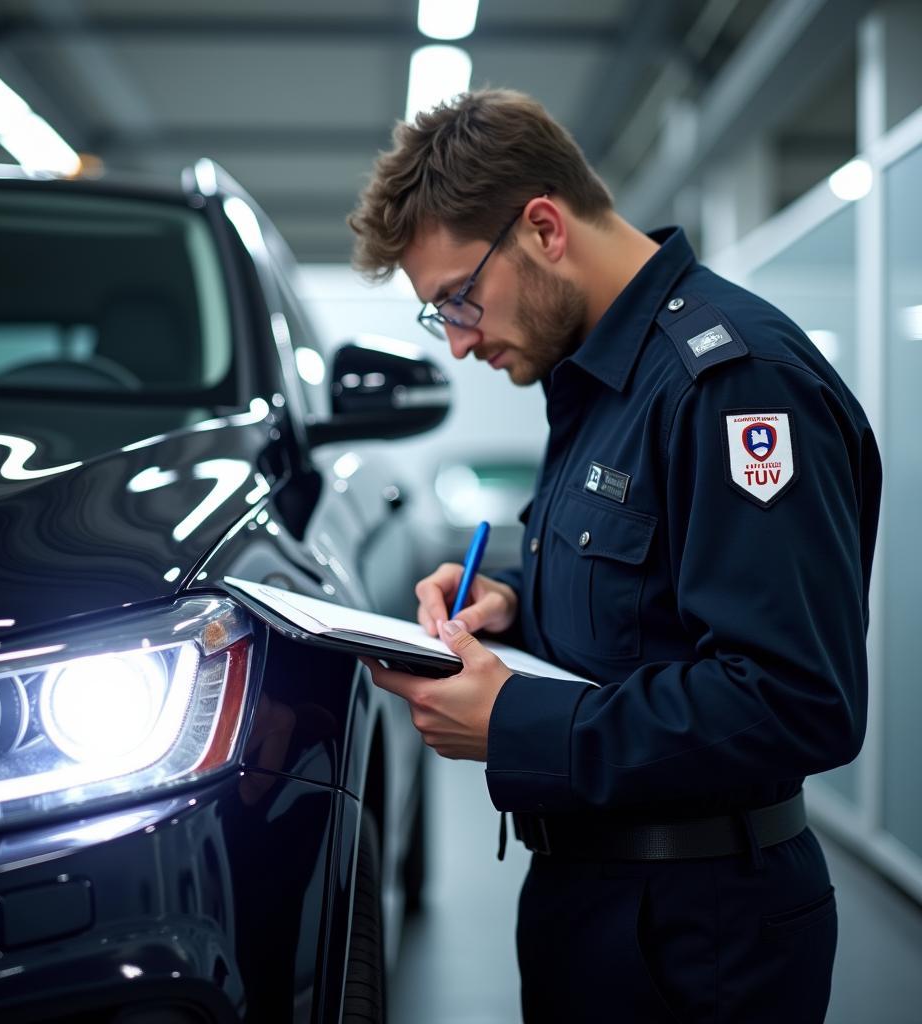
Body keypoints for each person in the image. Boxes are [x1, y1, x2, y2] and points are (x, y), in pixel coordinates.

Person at [349, 89, 881, 1023]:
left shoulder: (732, 383)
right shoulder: (595, 382)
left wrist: (517, 723)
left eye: (458, 299)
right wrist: (512, 602)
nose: (462, 340)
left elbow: (796, 700)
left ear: (544, 228)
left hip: (700, 931)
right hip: (589, 903)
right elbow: (652, 612)